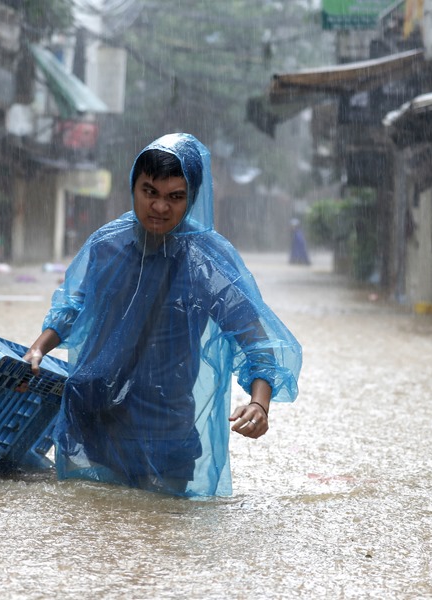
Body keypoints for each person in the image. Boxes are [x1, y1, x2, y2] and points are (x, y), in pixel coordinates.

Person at [23, 133, 302, 497]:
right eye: (149, 191)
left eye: (175, 197)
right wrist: (38, 348)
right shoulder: (107, 245)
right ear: (133, 187)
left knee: (161, 533)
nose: (159, 207)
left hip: (165, 429)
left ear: (192, 200)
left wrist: (259, 403)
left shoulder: (206, 264)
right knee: (91, 535)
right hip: (92, 418)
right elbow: (72, 307)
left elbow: (256, 340)